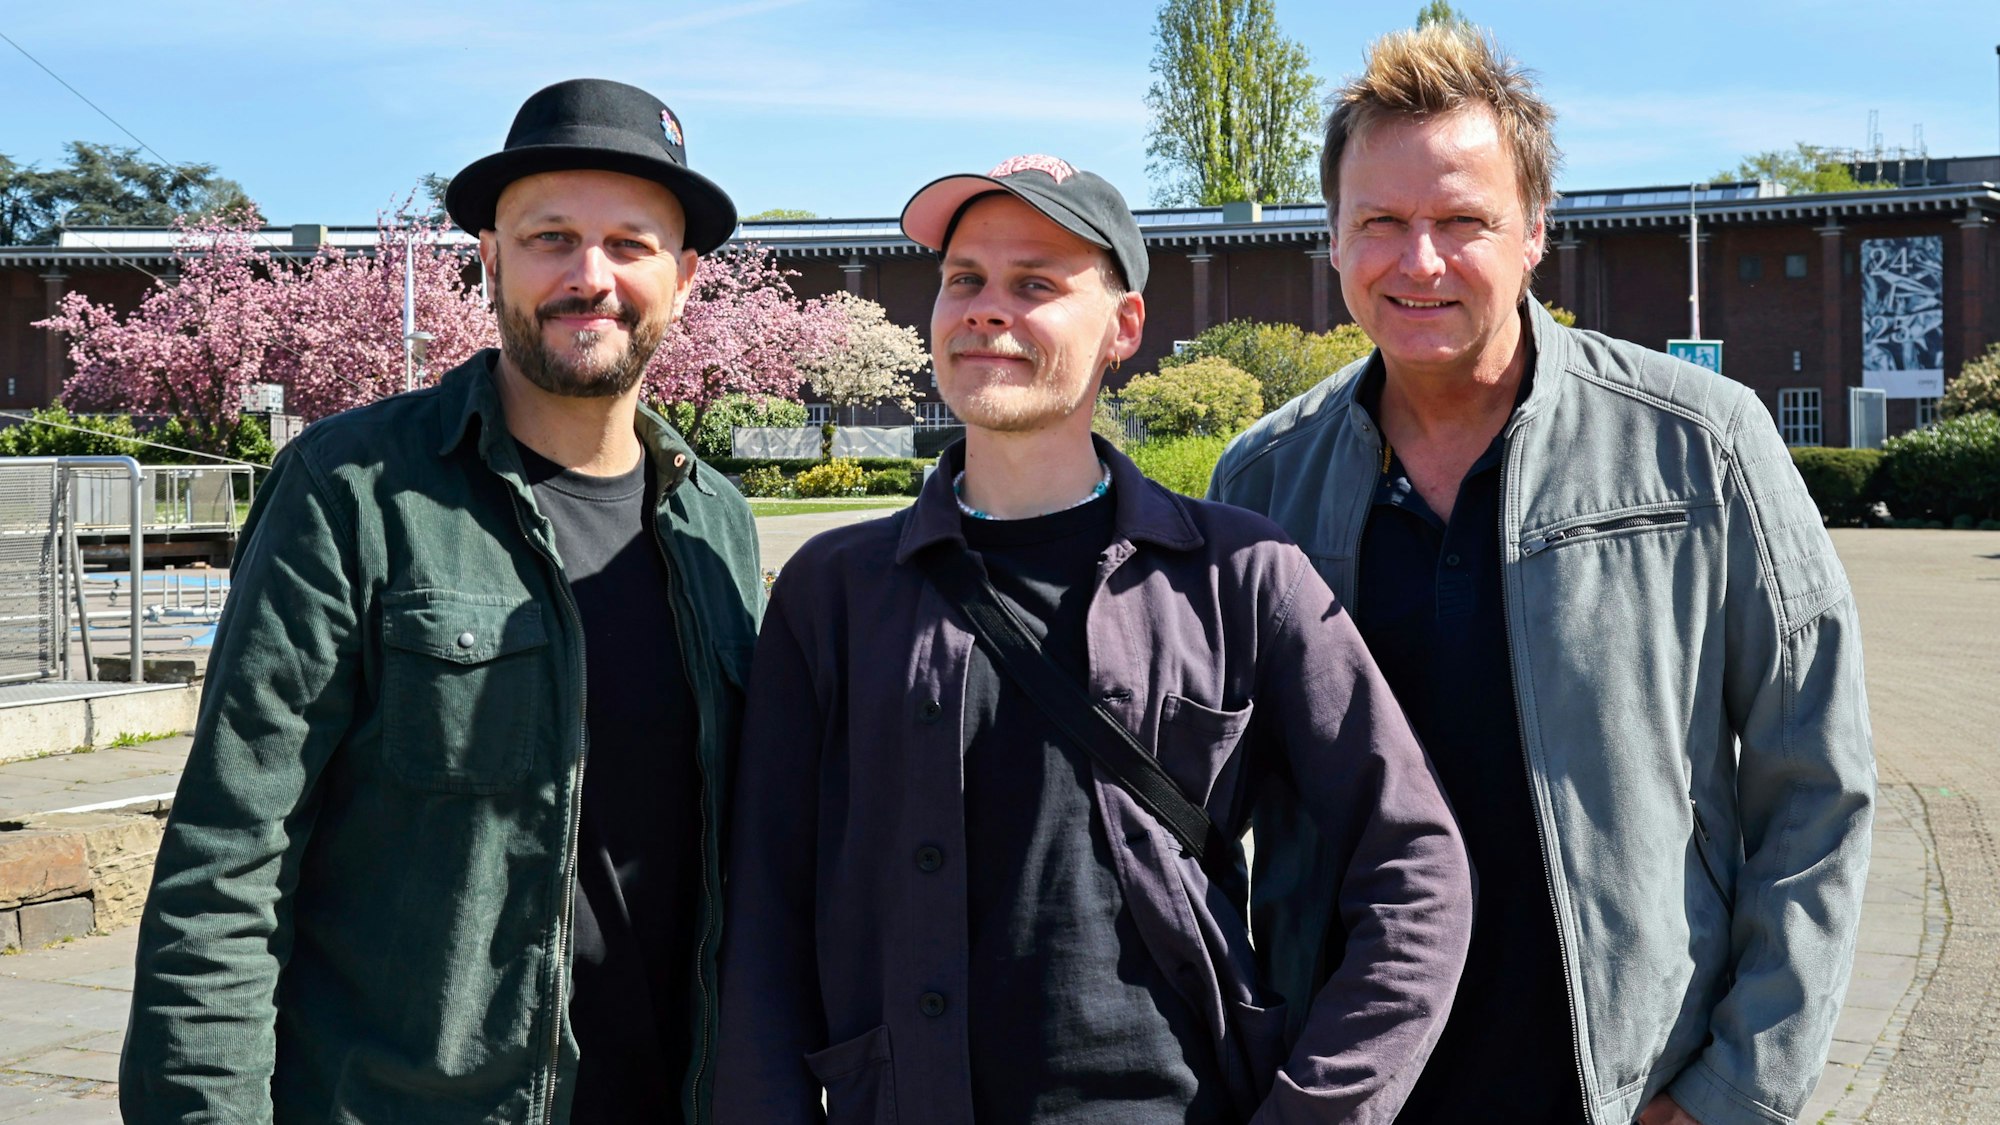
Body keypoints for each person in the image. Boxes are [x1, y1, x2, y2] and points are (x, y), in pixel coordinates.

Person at [715, 154, 1473, 1125]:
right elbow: (766, 916)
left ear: (1123, 327)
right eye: (964, 281)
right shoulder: (835, 591)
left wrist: (1317, 1109)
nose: (987, 310)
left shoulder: (1239, 575)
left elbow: (1415, 869)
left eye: (1035, 283)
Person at [1208, 25, 1874, 1125]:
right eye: (1379, 222)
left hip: (1619, 1084)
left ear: (1532, 237)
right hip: (1344, 1084)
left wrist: (1736, 1087)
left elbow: (1815, 783)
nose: (1417, 261)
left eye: (1461, 220)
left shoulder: (1699, 445)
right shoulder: (1262, 476)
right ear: (1332, 240)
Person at [121, 78, 763, 1123]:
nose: (588, 277)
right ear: (489, 258)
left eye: (629, 244)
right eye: (550, 236)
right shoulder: (353, 491)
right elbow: (229, 859)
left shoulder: (714, 526)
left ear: (685, 279)